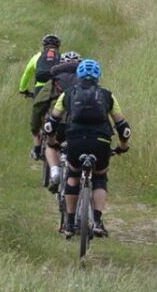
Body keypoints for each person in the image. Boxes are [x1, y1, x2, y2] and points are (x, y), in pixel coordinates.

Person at [45, 59, 131, 238]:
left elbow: (52, 123)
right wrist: (123, 146)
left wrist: (53, 141)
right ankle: (98, 222)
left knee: (73, 176)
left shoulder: (68, 94)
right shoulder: (107, 95)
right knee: (100, 176)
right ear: (98, 77)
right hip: (101, 141)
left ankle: (69, 223)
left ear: (79, 76)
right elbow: (122, 126)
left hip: (75, 139)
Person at [38, 51, 84, 191]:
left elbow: (39, 103)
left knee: (51, 146)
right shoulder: (86, 81)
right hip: (78, 122)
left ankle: (55, 172)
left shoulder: (54, 81)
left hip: (58, 121)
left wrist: (35, 126)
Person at [17, 33, 63, 163]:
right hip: (56, 88)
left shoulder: (37, 57)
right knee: (58, 113)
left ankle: (37, 149)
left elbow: (27, 74)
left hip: (40, 89)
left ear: (44, 46)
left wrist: (23, 90)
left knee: (37, 117)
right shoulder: (61, 58)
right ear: (58, 47)